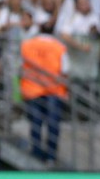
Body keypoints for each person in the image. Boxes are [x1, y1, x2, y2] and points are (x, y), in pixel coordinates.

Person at [20, 25, 69, 164]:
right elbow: (65, 70)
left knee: (35, 122)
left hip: (32, 89)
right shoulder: (59, 47)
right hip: (54, 90)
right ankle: (51, 156)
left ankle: (36, 153)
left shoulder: (27, 44)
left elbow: (20, 66)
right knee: (53, 124)